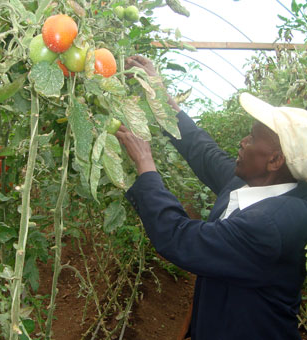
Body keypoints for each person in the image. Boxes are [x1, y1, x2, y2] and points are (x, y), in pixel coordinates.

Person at [116, 56, 307, 339]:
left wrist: (145, 163)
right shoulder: (251, 183)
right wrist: (160, 95)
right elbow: (201, 150)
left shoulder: (271, 225)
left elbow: (180, 238)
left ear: (275, 160)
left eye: (252, 138)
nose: (243, 142)